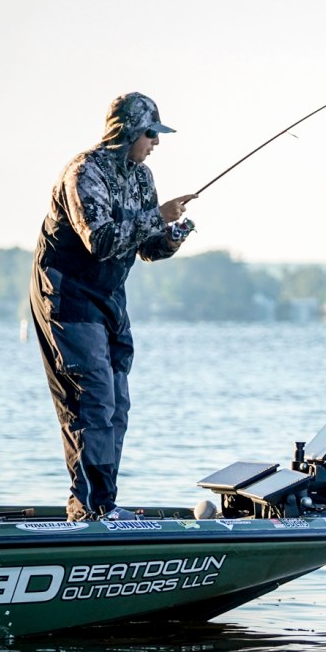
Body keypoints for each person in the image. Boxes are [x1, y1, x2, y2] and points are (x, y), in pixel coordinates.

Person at [29, 92, 197, 521]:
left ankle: (103, 503)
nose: (156, 142)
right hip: (66, 297)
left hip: (109, 300)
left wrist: (171, 236)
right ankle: (90, 508)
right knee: (94, 400)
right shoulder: (84, 172)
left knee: (118, 404)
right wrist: (158, 216)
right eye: (151, 133)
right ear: (127, 131)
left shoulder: (142, 177)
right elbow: (100, 240)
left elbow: (147, 248)